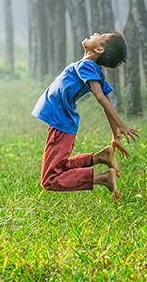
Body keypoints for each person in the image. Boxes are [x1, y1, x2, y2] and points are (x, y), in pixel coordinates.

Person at [31, 32, 139, 203]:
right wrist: (114, 135)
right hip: (61, 121)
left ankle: (103, 178)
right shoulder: (91, 68)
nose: (96, 33)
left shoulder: (87, 66)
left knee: (49, 180)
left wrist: (120, 125)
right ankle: (100, 157)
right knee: (58, 167)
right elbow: (106, 101)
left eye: (101, 35)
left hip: (61, 122)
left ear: (99, 48)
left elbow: (101, 97)